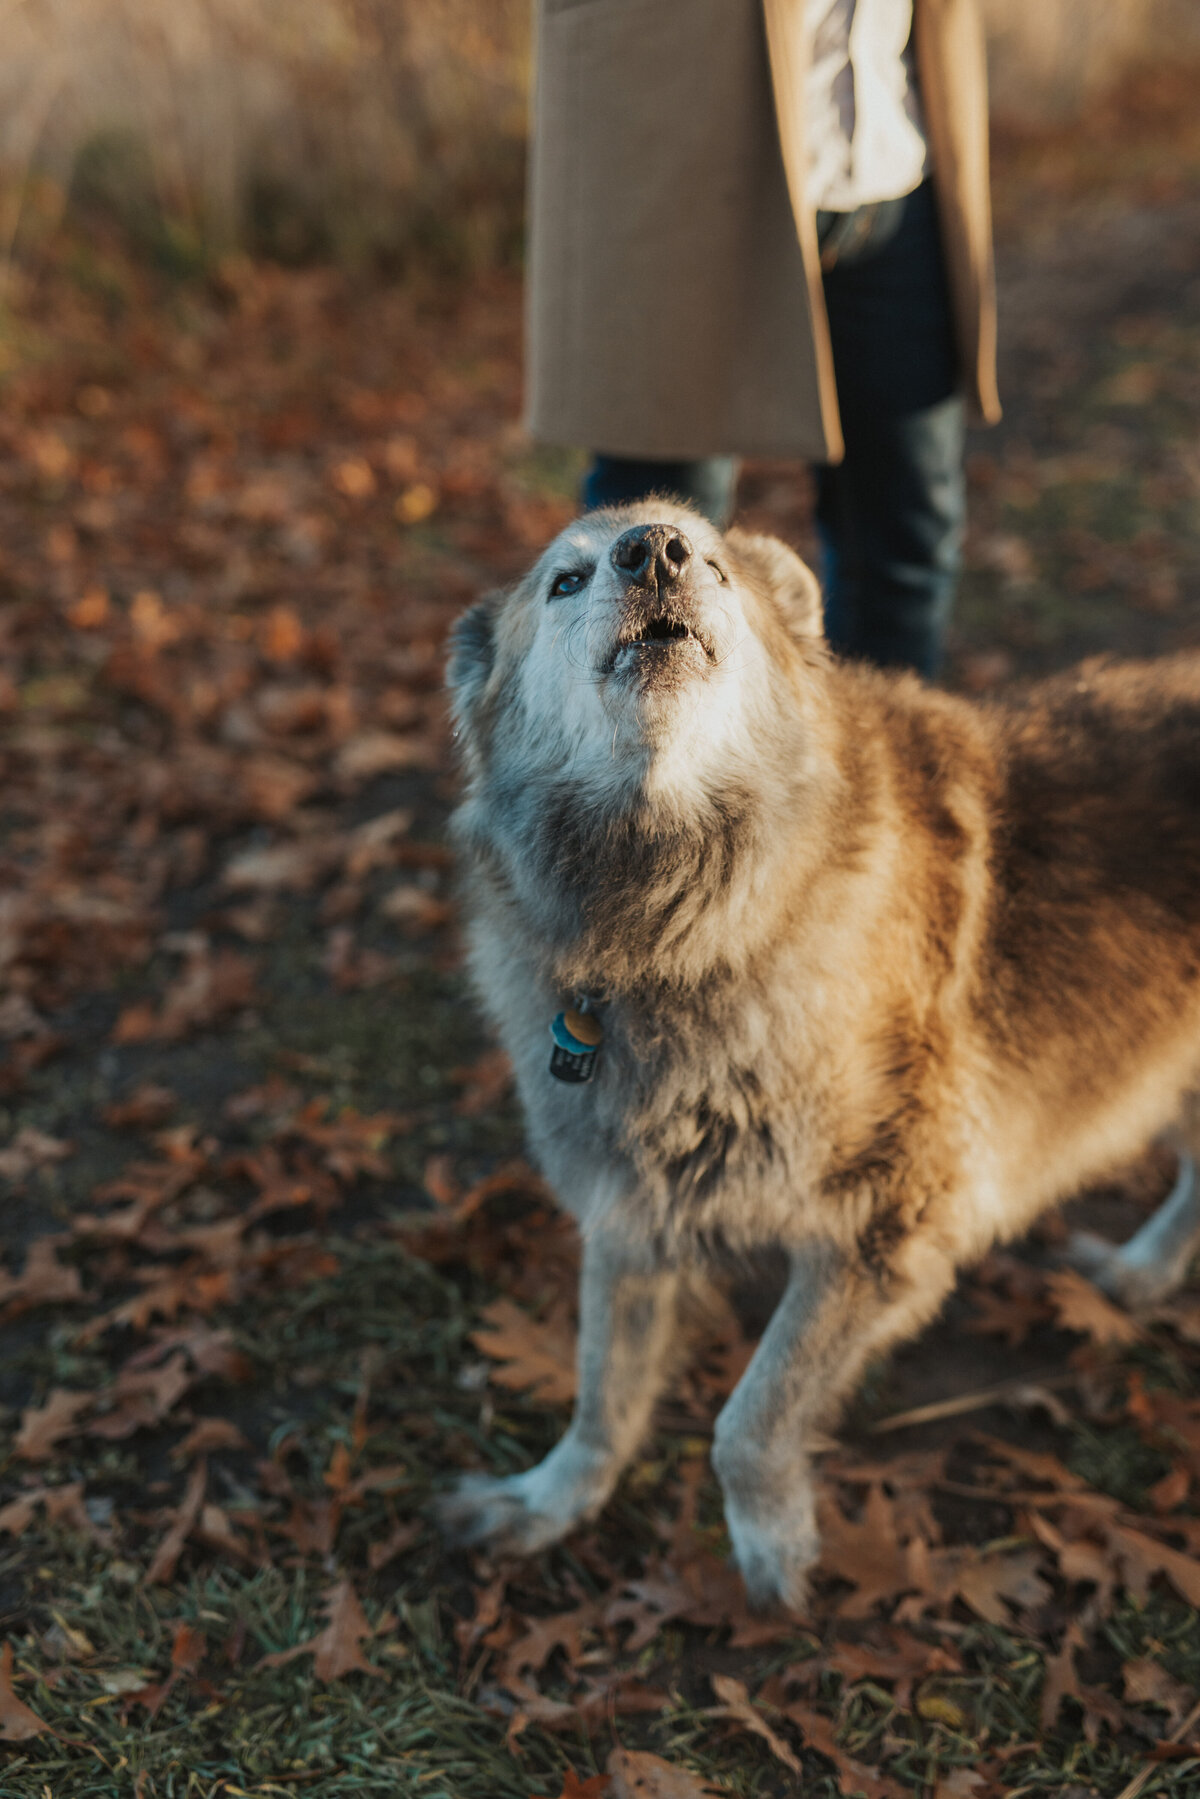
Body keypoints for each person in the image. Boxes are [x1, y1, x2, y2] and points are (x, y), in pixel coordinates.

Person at [523, 0, 1001, 678]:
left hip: (893, 163)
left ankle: (876, 778)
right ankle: (625, 783)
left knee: (905, 539)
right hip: (679, 162)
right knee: (649, 550)